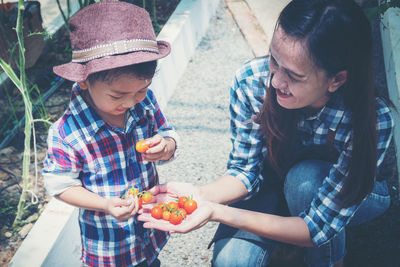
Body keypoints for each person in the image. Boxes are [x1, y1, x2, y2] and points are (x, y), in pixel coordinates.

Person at [137, 0, 394, 266]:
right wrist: (199, 196)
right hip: (274, 181)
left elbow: (316, 227)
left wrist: (218, 213)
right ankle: (284, 233)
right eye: (274, 59)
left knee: (304, 182)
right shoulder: (251, 81)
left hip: (350, 194)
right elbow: (245, 171)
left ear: (336, 80)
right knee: (230, 263)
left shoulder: (372, 119)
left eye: (294, 76)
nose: (276, 81)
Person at [42, 1, 179, 266]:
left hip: (148, 230)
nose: (130, 103)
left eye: (141, 90)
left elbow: (166, 131)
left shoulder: (145, 103)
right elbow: (61, 185)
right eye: (118, 95)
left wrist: (167, 145)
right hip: (108, 245)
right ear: (83, 80)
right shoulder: (68, 132)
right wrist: (105, 205)